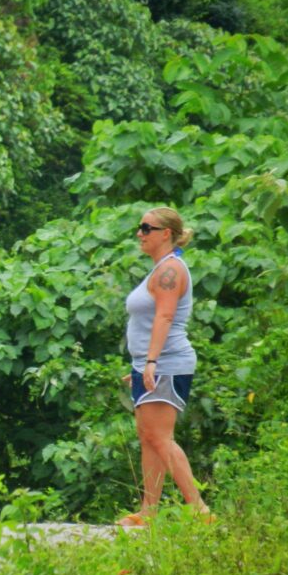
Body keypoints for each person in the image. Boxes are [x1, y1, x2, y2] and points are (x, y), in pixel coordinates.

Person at [117, 206, 210, 527]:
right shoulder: (158, 269)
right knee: (147, 436)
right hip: (152, 364)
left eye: (146, 228)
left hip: (167, 363)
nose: (139, 234)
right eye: (139, 227)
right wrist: (142, 365)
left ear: (165, 234)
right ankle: (149, 511)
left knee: (160, 436)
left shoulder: (172, 270)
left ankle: (200, 510)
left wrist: (153, 362)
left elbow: (165, 317)